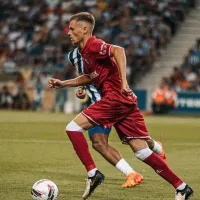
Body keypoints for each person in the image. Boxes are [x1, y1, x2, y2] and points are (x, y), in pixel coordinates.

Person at [48, 12, 193, 200]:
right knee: (141, 151)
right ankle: (182, 187)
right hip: (126, 100)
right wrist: (63, 83)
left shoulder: (92, 44)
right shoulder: (84, 52)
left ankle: (93, 174)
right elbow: (90, 77)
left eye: (71, 28)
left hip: (114, 97)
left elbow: (119, 50)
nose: (68, 32)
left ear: (84, 29)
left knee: (73, 128)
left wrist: (124, 81)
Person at [69, 47, 168, 188]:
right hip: (99, 106)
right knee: (98, 142)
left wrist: (123, 84)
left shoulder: (98, 49)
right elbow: (88, 77)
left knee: (135, 140)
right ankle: (131, 173)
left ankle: (156, 147)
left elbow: (112, 68)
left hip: (116, 101)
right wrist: (82, 90)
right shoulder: (76, 58)